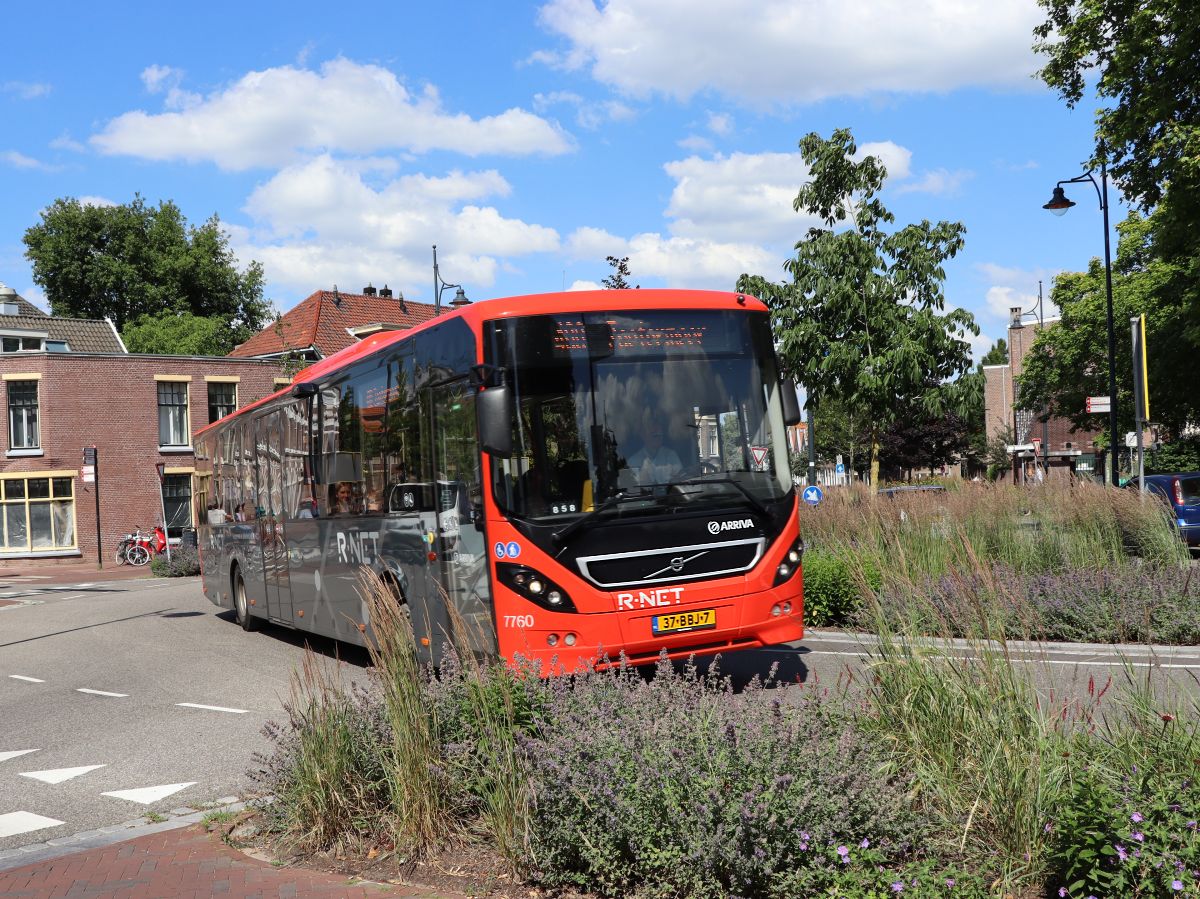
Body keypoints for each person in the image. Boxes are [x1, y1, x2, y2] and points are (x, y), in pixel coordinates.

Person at [624, 416, 682, 486]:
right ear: (643, 434)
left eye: (660, 434)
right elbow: (630, 490)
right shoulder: (632, 462)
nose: (658, 431)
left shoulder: (671, 455)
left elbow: (680, 481)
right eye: (655, 435)